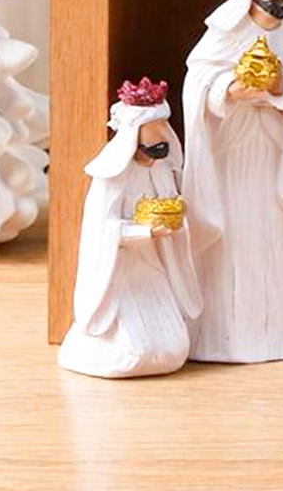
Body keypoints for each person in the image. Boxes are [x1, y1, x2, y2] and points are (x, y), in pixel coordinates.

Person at [182, 0, 283, 363]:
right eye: (268, 5)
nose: (275, 14)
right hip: (230, 155)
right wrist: (229, 89)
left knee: (266, 245)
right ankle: (219, 337)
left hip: (269, 155)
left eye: (282, 5)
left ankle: (270, 336)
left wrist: (281, 88)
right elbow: (196, 83)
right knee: (229, 247)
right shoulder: (224, 32)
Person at [59, 77, 201, 379]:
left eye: (163, 128)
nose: (162, 136)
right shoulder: (113, 176)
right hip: (121, 273)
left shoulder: (161, 171)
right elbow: (102, 230)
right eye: (153, 130)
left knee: (173, 349)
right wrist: (144, 231)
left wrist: (174, 219)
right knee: (135, 351)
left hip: (152, 270)